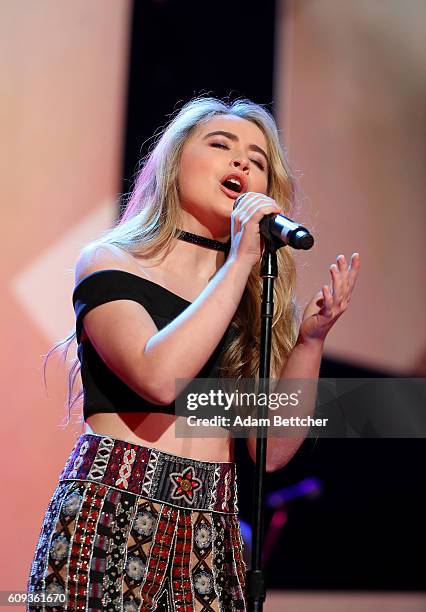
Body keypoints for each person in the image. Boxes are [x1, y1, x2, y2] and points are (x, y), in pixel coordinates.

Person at [26, 97, 360, 611]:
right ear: (174, 161)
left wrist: (310, 341)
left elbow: (267, 450)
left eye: (258, 158)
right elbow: (158, 376)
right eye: (221, 145)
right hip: (114, 509)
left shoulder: (251, 300)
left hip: (213, 526)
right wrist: (241, 259)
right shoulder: (112, 261)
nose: (242, 162)